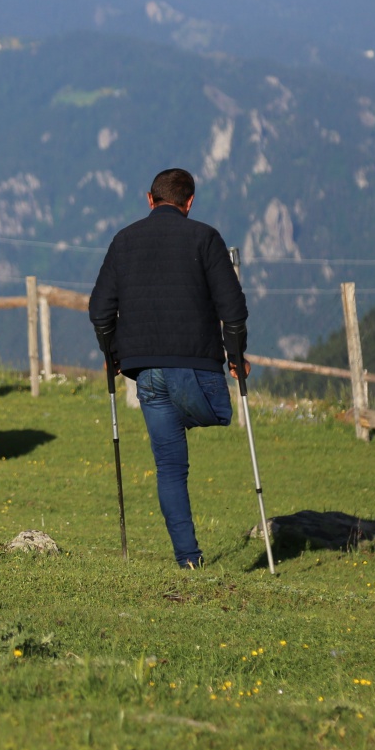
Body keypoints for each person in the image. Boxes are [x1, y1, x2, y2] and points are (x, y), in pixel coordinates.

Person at [88, 167, 248, 567]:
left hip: (144, 371)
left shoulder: (123, 241)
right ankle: (188, 557)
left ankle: (188, 560)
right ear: (189, 202)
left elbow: (99, 311)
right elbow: (234, 309)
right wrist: (235, 354)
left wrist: (112, 354)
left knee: (170, 468)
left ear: (149, 199)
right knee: (221, 412)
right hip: (193, 363)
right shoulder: (205, 237)